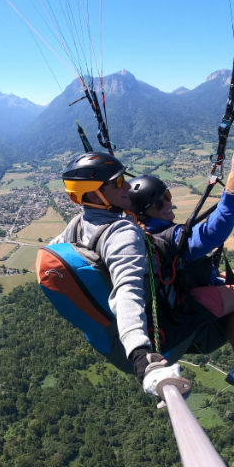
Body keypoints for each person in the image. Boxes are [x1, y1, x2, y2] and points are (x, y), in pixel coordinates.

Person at [128, 142, 234, 386]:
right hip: (185, 311)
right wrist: (233, 181)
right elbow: (214, 231)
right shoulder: (168, 240)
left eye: (167, 196)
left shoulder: (145, 230)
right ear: (145, 214)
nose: (168, 203)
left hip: (191, 287)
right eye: (159, 203)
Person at [52, 151, 193, 398]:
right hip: (153, 338)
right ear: (94, 194)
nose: (128, 186)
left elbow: (50, 253)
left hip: (108, 341)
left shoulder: (76, 226)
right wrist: (141, 353)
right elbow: (127, 290)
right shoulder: (122, 234)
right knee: (229, 296)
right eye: (117, 182)